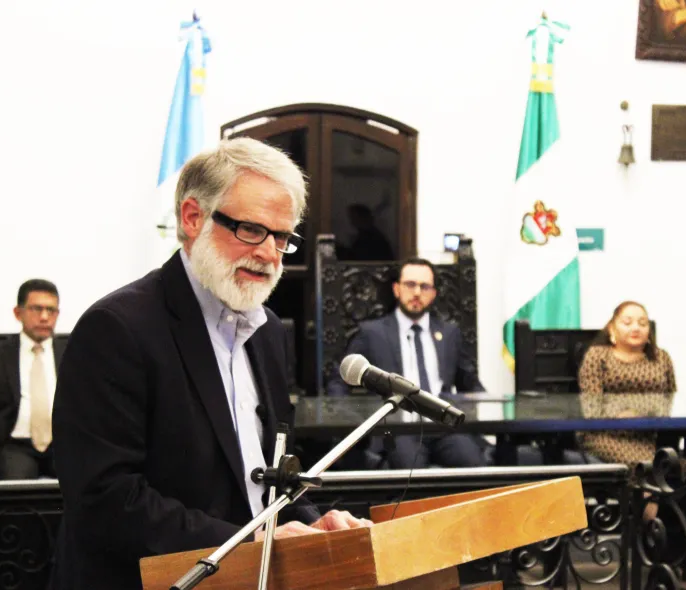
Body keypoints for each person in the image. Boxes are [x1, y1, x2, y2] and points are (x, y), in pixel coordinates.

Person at [51, 138, 370, 590]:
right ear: (192, 217)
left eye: (282, 237)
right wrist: (254, 541)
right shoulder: (117, 327)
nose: (268, 254)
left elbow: (269, 474)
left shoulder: (270, 331)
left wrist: (312, 528)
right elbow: (105, 498)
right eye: (250, 229)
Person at [327, 258, 488, 469]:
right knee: (409, 471)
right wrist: (354, 420)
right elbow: (339, 382)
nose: (417, 292)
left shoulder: (450, 334)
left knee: (474, 466)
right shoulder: (372, 333)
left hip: (443, 426)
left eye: (425, 286)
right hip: (397, 427)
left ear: (433, 293)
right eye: (410, 285)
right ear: (396, 289)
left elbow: (470, 383)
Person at [577, 301, 678, 521]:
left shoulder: (662, 358)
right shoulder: (598, 356)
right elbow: (593, 408)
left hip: (647, 436)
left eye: (642, 323)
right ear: (612, 328)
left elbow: (666, 404)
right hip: (603, 435)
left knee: (679, 463)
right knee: (649, 466)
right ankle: (646, 531)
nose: (636, 327)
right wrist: (638, 410)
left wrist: (628, 410)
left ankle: (664, 536)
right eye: (627, 322)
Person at [0, 279, 65, 480]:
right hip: (14, 445)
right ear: (18, 313)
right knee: (19, 488)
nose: (45, 317)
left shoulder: (71, 354)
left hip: (62, 445)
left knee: (81, 478)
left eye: (51, 310)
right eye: (37, 309)